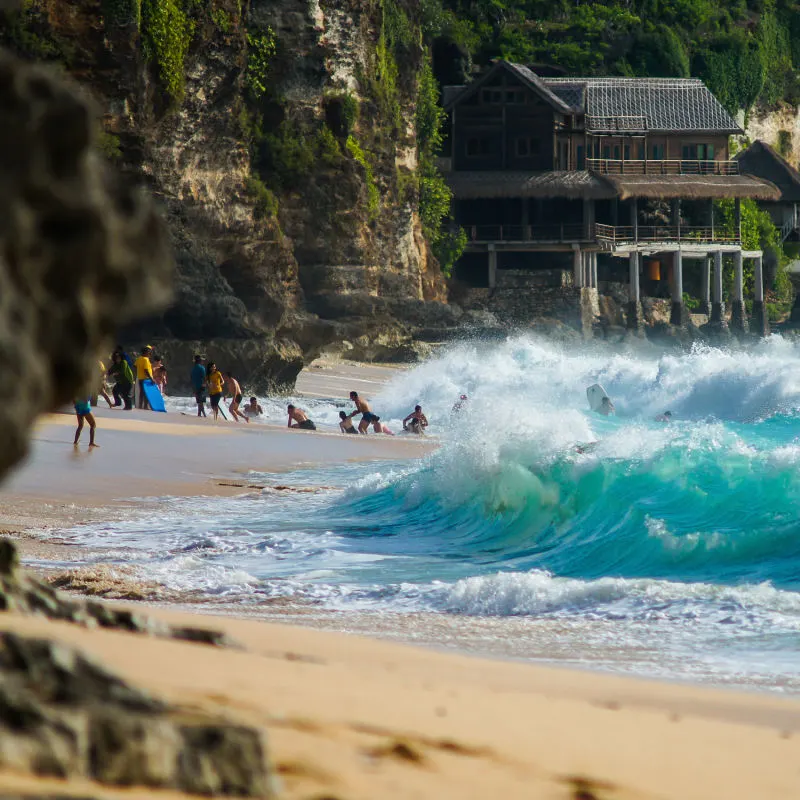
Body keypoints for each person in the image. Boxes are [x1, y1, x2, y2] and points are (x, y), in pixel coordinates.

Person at [134, 345, 154, 410]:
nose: (149, 354)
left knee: (142, 392)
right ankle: (145, 406)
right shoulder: (146, 359)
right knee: (146, 393)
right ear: (145, 353)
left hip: (140, 378)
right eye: (149, 352)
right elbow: (146, 370)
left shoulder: (139, 358)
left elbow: (135, 366)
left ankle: (140, 405)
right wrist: (151, 379)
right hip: (146, 378)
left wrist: (139, 372)